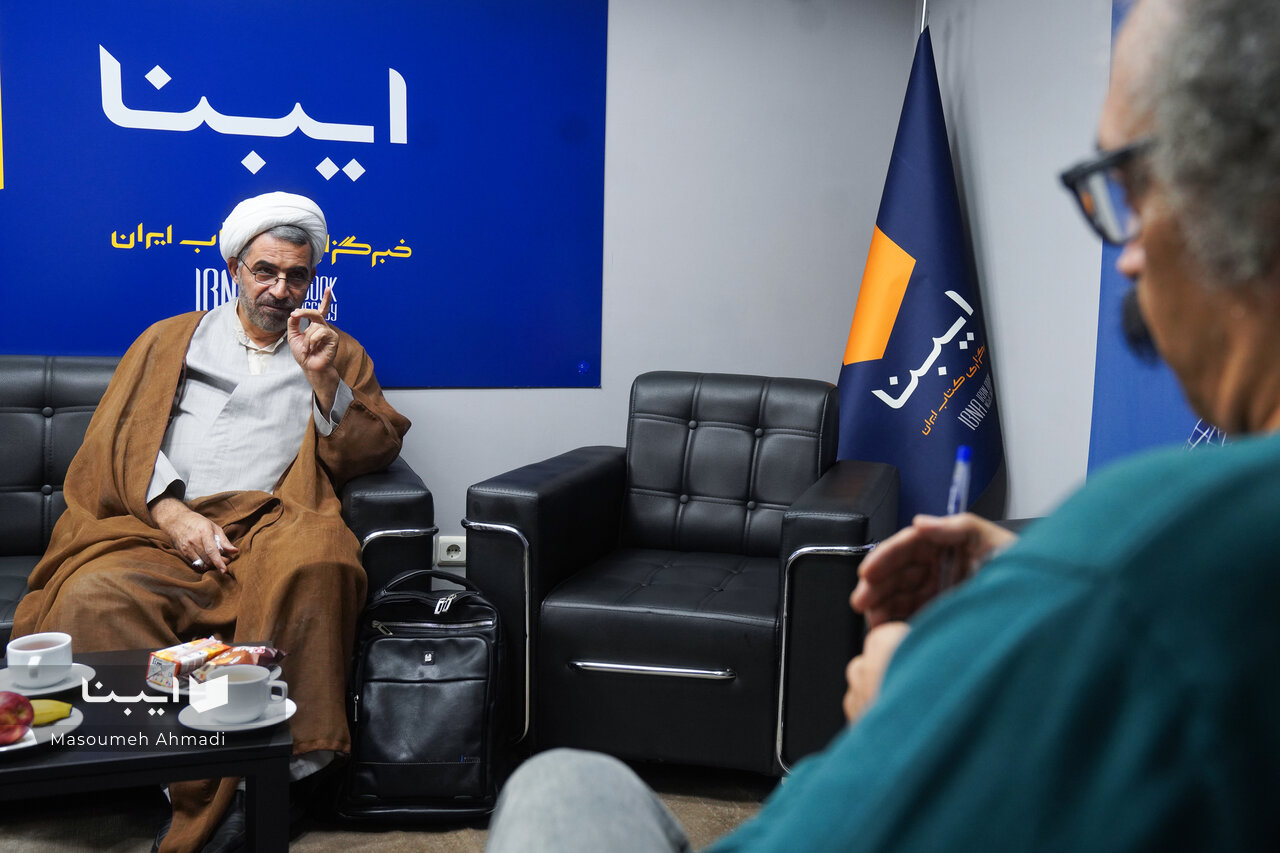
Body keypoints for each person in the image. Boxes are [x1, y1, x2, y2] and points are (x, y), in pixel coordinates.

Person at [483, 0, 1280, 849]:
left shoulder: (1145, 551)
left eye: (1130, 186)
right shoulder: (1177, 542)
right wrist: (1027, 570)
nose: (1126, 254)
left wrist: (899, 713)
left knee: (559, 782)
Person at [11, 191, 409, 853]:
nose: (280, 289)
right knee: (95, 594)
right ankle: (199, 785)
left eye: (297, 276)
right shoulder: (170, 338)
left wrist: (322, 379)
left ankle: (278, 778)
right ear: (233, 269)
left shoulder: (335, 351)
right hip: (160, 527)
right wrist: (172, 512)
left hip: (274, 523)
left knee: (322, 564)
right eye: (265, 271)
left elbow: (370, 450)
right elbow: (117, 442)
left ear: (313, 280)